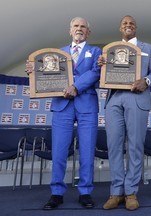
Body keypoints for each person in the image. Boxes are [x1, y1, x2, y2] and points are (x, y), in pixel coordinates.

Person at [26, 17, 102, 210]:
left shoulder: (96, 52)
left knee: (87, 150)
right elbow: (45, 75)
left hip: (87, 106)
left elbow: (96, 73)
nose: (79, 29)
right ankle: (56, 193)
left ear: (88, 32)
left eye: (83, 26)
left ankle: (85, 192)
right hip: (62, 106)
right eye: (76, 26)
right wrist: (34, 71)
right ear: (70, 31)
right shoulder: (57, 53)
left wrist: (76, 86)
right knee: (59, 151)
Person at [98, 15, 151, 211]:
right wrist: (101, 65)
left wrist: (146, 82)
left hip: (137, 97)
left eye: (131, 23)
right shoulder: (110, 49)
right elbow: (101, 73)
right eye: (124, 23)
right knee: (114, 146)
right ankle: (116, 192)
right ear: (120, 28)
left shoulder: (147, 48)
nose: (128, 25)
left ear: (136, 27)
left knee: (135, 145)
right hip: (114, 98)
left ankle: (131, 191)